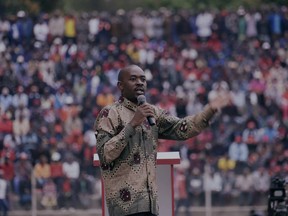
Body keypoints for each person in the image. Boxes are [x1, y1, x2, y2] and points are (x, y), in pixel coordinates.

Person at [94, 65, 230, 216]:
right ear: (120, 85)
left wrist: (210, 110)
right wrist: (133, 124)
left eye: (143, 79)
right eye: (133, 79)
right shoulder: (109, 113)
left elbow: (182, 128)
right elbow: (105, 154)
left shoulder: (153, 113)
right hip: (124, 206)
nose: (139, 82)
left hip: (150, 205)